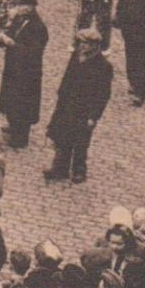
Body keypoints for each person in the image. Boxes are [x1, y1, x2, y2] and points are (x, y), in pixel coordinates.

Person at [45, 27, 114, 185]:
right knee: (63, 136)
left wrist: (93, 116)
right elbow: (67, 77)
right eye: (81, 43)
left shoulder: (103, 66)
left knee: (81, 141)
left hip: (85, 109)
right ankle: (60, 168)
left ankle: (79, 170)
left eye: (86, 44)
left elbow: (103, 95)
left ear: (95, 46)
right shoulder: (76, 57)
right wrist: (61, 95)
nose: (82, 46)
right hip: (68, 104)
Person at [0, 0, 47, 148]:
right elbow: (11, 33)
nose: (19, 8)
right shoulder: (19, 20)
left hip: (27, 73)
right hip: (14, 68)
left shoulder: (38, 27)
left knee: (23, 104)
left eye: (23, 5)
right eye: (18, 5)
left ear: (31, 7)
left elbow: (33, 52)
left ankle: (20, 138)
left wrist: (12, 44)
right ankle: (12, 124)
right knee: (12, 100)